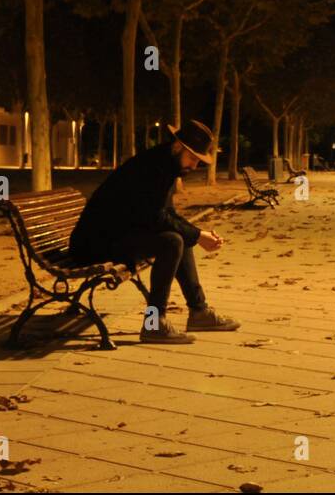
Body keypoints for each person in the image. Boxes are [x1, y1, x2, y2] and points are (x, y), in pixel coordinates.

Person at [70, 119, 238, 344]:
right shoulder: (152, 169)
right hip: (95, 244)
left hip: (116, 234)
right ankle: (154, 323)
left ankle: (198, 311)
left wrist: (196, 234)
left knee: (179, 236)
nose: (195, 166)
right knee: (172, 241)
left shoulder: (164, 164)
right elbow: (157, 218)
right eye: (193, 159)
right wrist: (197, 236)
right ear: (178, 147)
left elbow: (166, 215)